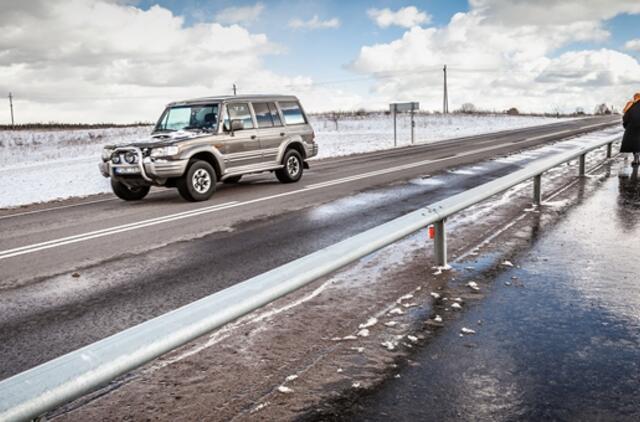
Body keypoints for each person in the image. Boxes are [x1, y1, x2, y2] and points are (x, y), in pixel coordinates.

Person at [622, 93, 640, 166]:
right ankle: (637, 156)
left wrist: (626, 125)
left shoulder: (630, 104)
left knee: (634, 143)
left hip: (632, 127)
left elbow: (625, 117)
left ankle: (636, 156)